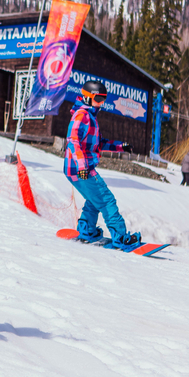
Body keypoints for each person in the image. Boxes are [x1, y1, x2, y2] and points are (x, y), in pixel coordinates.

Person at [64, 80, 141, 251]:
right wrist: (83, 165)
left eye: (103, 100)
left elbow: (99, 143)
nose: (101, 104)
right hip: (79, 168)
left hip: (77, 167)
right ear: (87, 97)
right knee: (106, 200)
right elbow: (72, 140)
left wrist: (121, 146)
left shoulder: (90, 116)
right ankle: (121, 238)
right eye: (98, 99)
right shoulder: (81, 115)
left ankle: (86, 230)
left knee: (95, 199)